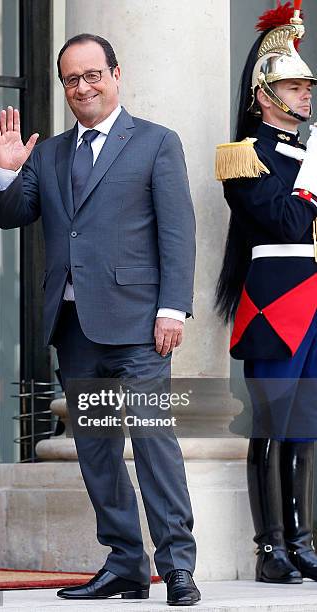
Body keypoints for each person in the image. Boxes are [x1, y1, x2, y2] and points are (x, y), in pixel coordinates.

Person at [0, 33, 200, 606]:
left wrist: (171, 309)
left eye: (92, 76)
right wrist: (9, 172)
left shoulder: (156, 142)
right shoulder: (51, 153)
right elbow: (12, 215)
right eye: (71, 80)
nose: (82, 88)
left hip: (139, 327)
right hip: (75, 330)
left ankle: (178, 566)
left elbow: (178, 232)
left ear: (115, 74)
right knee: (98, 452)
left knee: (156, 444)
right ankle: (126, 565)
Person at [215, 1, 317, 584]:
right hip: (276, 302)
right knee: (273, 423)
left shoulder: (306, 151)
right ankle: (270, 548)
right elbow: (283, 220)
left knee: (306, 426)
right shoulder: (243, 156)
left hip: (314, 301)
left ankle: (303, 540)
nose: (305, 94)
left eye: (306, 86)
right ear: (265, 95)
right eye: (293, 86)